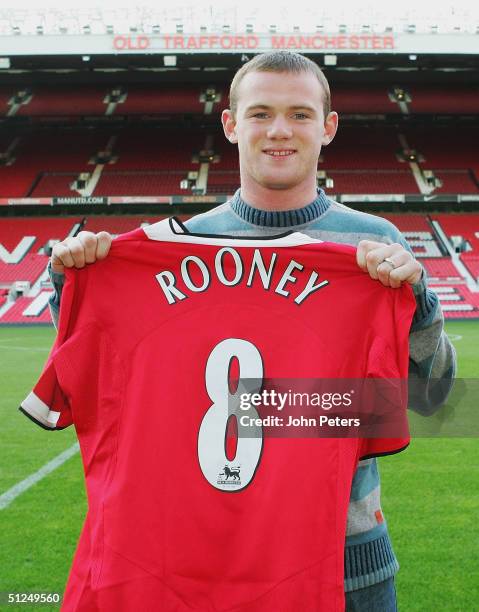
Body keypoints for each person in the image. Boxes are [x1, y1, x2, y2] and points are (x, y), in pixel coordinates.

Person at [48, 51, 456, 611]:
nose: (280, 131)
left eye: (301, 114)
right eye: (261, 113)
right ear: (231, 124)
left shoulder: (374, 245)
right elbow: (123, 388)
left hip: (347, 561)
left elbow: (434, 399)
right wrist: (71, 287)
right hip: (204, 558)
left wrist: (419, 300)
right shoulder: (178, 245)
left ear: (328, 127)